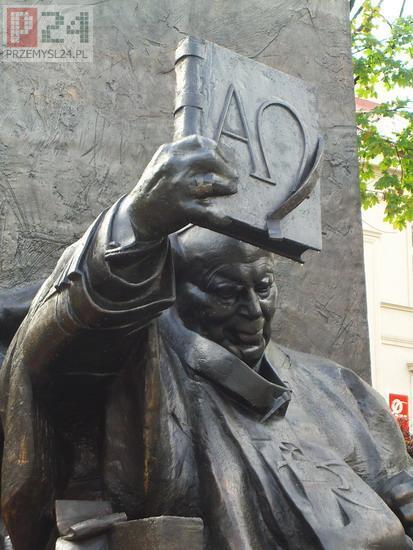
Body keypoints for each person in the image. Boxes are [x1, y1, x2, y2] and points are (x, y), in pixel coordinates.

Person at [1, 136, 413, 550]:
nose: (253, 310)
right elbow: (64, 336)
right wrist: (139, 221)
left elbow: (397, 483)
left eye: (263, 287)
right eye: (226, 291)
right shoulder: (135, 373)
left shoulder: (341, 389)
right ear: (178, 293)